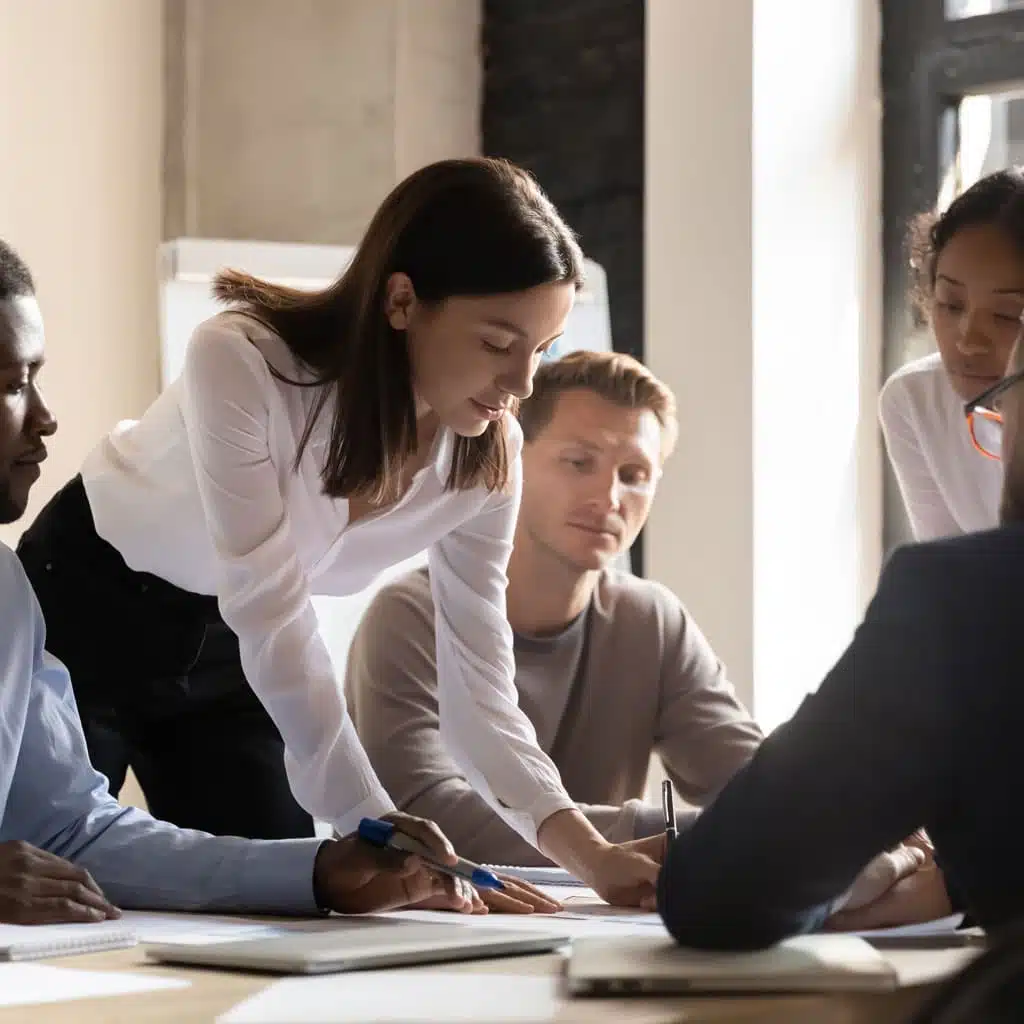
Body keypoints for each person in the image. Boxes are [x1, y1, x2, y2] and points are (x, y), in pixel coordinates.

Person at [13, 159, 660, 907]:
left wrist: (591, 856)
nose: (522, 385)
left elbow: (480, 693)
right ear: (401, 300)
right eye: (497, 344)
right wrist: (379, 828)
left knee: (299, 899)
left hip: (231, 646)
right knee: (53, 881)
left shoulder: (487, 457)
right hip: (89, 603)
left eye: (541, 349)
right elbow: (270, 605)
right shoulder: (243, 359)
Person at [656, 331, 1024, 951]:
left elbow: (720, 893)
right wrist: (954, 883)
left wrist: (892, 870)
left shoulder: (965, 598)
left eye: (1003, 403)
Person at [345, 350, 765, 864]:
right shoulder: (409, 616)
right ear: (512, 458)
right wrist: (675, 835)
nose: (609, 497)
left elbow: (757, 784)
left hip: (602, 910)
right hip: (452, 910)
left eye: (634, 474)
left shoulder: (652, 621)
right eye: (579, 462)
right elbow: (427, 815)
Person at [879, 168, 1024, 541]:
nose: (968, 341)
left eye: (1006, 315)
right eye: (951, 304)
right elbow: (950, 569)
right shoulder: (916, 402)